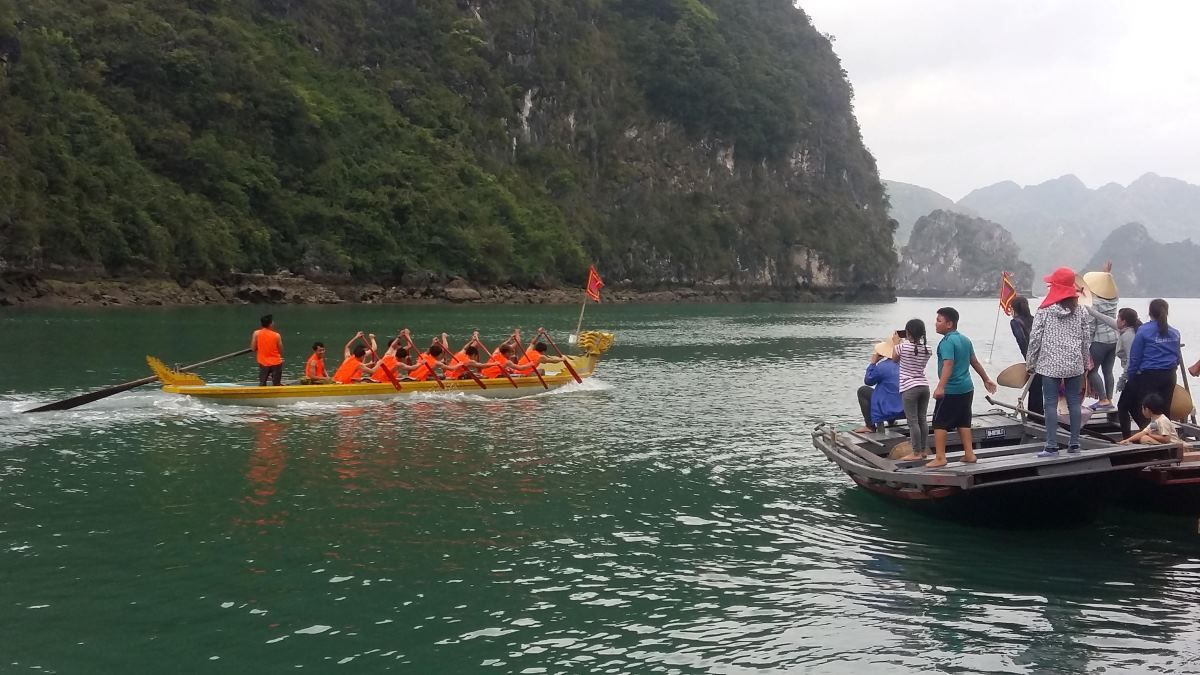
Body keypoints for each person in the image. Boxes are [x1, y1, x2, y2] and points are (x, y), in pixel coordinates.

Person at [1026, 267, 1093, 457]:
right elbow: (1085, 339)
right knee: (1074, 403)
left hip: (1049, 364)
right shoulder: (1080, 311)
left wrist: (1030, 363)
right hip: (1074, 364)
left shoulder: (1044, 310)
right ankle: (1074, 444)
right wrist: (1084, 362)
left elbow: (1035, 338)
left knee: (1049, 403)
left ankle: (1051, 446)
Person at [927, 307, 997, 469]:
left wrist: (940, 387)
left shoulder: (947, 342)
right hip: (967, 388)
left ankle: (940, 457)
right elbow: (975, 361)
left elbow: (948, 364)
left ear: (949, 324)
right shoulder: (965, 339)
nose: (935, 324)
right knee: (963, 421)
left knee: (939, 423)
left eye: (939, 321)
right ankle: (969, 454)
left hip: (951, 389)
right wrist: (986, 379)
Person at [1124, 299, 1181, 437]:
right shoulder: (1174, 332)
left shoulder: (1144, 331)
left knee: (1146, 409)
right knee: (1164, 409)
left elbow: (1135, 357)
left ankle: (1149, 439)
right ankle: (1166, 440)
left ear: (1150, 313)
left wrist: (1131, 376)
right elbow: (1177, 357)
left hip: (1150, 375)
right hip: (1169, 375)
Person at [1088, 306, 1141, 433]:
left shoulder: (1128, 336)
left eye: (1118, 317)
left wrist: (1123, 379)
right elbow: (1107, 320)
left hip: (1136, 375)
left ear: (1123, 322)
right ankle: (1140, 430)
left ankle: (1128, 437)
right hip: (1135, 374)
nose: (1116, 319)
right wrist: (1090, 311)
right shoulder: (1126, 329)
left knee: (1123, 406)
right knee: (1132, 406)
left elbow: (1131, 360)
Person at [893, 319, 933, 461]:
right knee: (923, 420)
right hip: (924, 386)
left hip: (909, 387)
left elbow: (894, 359)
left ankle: (915, 453)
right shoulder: (928, 349)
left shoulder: (902, 347)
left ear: (908, 333)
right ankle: (923, 451)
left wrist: (896, 342)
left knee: (913, 422)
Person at [1083, 262, 1119, 408]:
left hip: (1100, 340)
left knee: (1091, 370)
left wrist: (1086, 344)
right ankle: (1109, 399)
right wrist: (1106, 274)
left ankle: (1102, 399)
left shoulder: (1095, 303)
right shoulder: (1114, 299)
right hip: (1114, 340)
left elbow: (1091, 325)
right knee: (1108, 371)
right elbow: (1107, 287)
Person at [853, 336, 904, 434]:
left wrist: (873, 363)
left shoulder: (882, 367)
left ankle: (870, 426)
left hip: (888, 409)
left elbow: (868, 381)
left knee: (863, 391)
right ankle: (891, 421)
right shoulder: (908, 364)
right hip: (905, 410)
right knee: (890, 389)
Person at [1009, 295, 1043, 415]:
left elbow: (1022, 341)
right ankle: (1037, 414)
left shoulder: (1015, 322)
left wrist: (1029, 360)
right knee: (1037, 386)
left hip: (1031, 356)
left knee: (1034, 386)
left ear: (1014, 308)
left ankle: (1035, 416)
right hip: (1043, 355)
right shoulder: (1034, 319)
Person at [1118, 393, 1183, 448]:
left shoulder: (1162, 421)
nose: (1142, 411)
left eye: (1143, 409)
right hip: (1166, 445)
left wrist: (1150, 435)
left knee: (1144, 438)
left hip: (1173, 447)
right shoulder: (1154, 420)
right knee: (1143, 437)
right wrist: (1128, 440)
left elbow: (1166, 439)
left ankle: (1162, 454)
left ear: (1147, 410)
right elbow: (1143, 432)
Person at [250, 314, 284, 386]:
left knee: (262, 383)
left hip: (263, 362)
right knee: (276, 384)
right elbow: (280, 350)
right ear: (270, 324)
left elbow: (253, 348)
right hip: (276, 363)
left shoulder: (256, 333)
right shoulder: (277, 335)